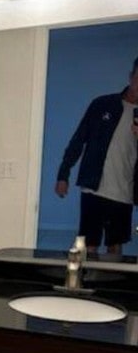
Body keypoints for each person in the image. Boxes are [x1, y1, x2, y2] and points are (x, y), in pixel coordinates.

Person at [55, 56, 138, 254]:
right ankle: (85, 282)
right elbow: (78, 139)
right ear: (130, 76)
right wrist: (63, 174)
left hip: (124, 191)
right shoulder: (102, 104)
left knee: (115, 247)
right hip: (94, 187)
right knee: (88, 245)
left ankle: (108, 284)